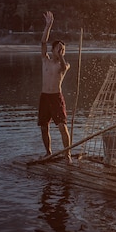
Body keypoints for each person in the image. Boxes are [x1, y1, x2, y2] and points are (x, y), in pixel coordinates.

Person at [38, 11, 72, 163]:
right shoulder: (45, 60)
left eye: (63, 49)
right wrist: (48, 26)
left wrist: (61, 55)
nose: (60, 51)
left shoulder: (63, 64)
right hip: (45, 97)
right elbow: (43, 43)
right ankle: (48, 152)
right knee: (44, 127)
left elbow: (64, 68)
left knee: (62, 127)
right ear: (52, 50)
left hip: (56, 97)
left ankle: (67, 155)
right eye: (58, 49)